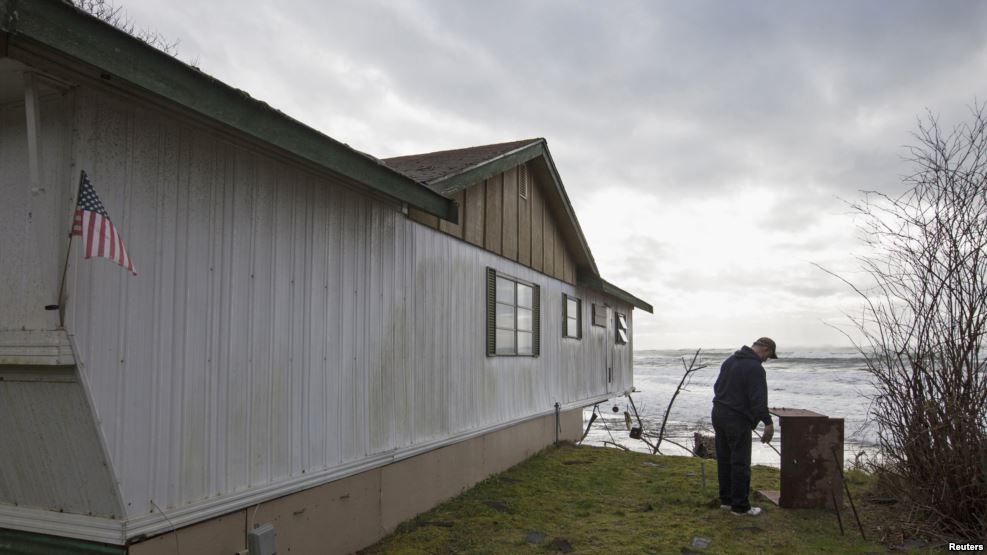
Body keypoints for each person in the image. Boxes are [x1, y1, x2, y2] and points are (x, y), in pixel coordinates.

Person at [711, 337, 777, 516]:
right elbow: (758, 399)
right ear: (766, 350)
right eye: (768, 356)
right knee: (740, 462)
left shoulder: (730, 360)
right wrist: (768, 422)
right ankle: (740, 507)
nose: (766, 360)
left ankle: (726, 500)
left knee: (724, 459)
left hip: (718, 413)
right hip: (736, 420)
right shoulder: (755, 368)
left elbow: (717, 387)